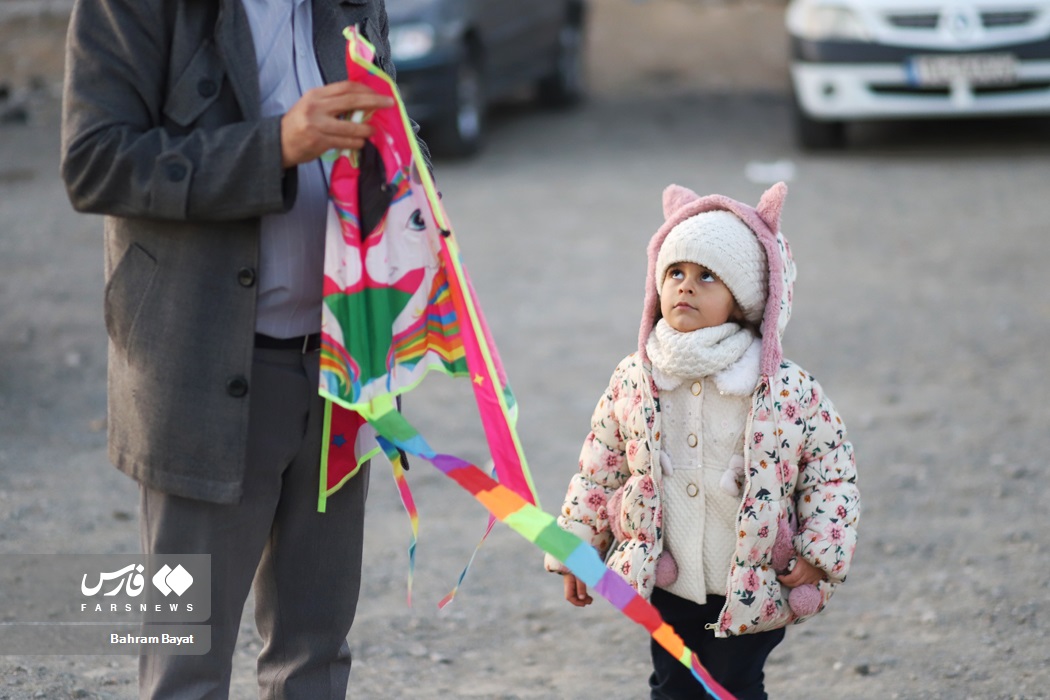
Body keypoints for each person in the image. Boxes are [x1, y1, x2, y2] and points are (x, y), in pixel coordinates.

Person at [60, 1, 427, 697]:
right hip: (201, 370)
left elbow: (393, 139)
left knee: (314, 657)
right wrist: (275, 146)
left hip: (344, 369)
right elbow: (93, 162)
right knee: (184, 667)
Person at [544, 183, 860, 700]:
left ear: (744, 300)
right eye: (675, 273)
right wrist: (578, 547)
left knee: (733, 684)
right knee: (673, 683)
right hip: (667, 574)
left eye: (706, 276)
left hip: (750, 577)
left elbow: (831, 472)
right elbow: (600, 469)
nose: (685, 287)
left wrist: (819, 551)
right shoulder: (637, 377)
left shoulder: (782, 387)